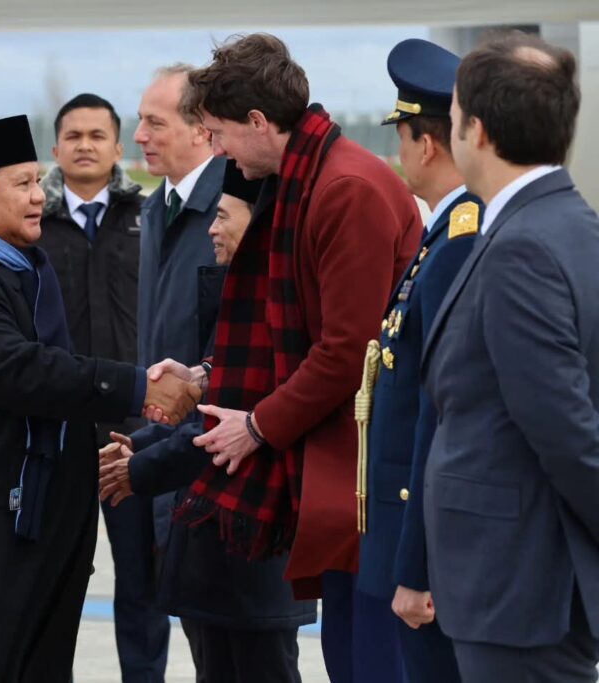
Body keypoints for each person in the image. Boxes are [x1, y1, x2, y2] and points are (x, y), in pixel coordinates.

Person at [0, 115, 201, 682]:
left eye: (38, 181)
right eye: (24, 184)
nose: (39, 196)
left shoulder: (17, 264)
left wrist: (82, 454)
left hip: (20, 522)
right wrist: (140, 387)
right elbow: (22, 372)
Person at [150, 33, 422, 683]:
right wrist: (211, 376)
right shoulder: (309, 179)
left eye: (218, 134)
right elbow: (290, 335)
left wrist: (258, 425)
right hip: (342, 467)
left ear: (257, 121)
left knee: (369, 662)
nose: (217, 150)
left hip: (367, 475)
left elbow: (346, 350)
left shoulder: (343, 188)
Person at [422, 31, 599, 682]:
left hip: (517, 585)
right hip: (523, 579)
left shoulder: (522, 247)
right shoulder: (572, 225)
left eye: (454, 116)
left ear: (478, 130)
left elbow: (562, 427)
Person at [100, 164, 317, 683]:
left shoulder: (274, 304)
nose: (212, 230)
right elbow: (211, 405)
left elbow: (222, 426)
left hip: (254, 548)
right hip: (218, 554)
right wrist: (138, 444)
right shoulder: (239, 294)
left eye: (222, 217)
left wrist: (138, 468)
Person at [356, 38, 483, 683]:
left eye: (401, 137)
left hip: (429, 540)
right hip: (410, 528)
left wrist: (418, 566)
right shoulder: (442, 234)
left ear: (426, 144)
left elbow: (439, 409)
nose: (399, 153)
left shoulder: (460, 240)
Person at [34, 94, 152, 682]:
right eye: (74, 136)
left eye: (97, 135)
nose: (85, 145)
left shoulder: (149, 218)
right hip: (55, 429)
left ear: (118, 147)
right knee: (49, 581)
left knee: (141, 581)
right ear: (55, 149)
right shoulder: (31, 222)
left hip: (135, 429)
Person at [119, 65, 226, 680]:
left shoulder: (231, 210)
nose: (139, 136)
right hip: (161, 446)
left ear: (202, 131)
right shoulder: (158, 207)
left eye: (155, 123)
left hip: (210, 454)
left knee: (232, 650)